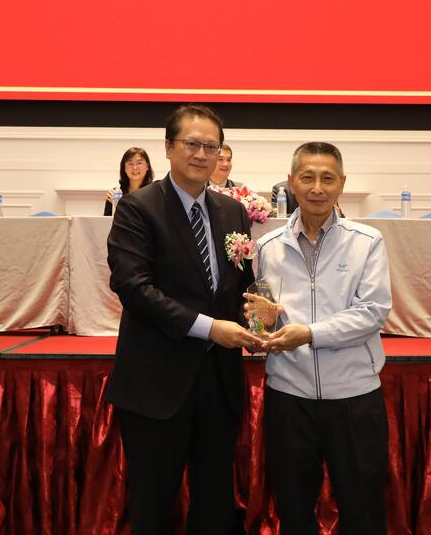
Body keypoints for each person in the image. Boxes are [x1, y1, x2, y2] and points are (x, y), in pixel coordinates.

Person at [106, 105, 260, 534]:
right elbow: (133, 288)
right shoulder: (138, 207)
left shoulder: (232, 211)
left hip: (219, 381)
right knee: (153, 504)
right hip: (156, 381)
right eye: (191, 143)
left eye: (211, 146)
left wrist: (256, 316)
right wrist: (211, 328)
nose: (201, 154)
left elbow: (239, 286)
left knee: (214, 504)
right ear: (169, 147)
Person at [250, 142, 391, 534]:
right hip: (288, 396)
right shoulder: (267, 246)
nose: (317, 188)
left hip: (354, 396)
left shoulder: (366, 241)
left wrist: (309, 334)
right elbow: (264, 313)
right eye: (307, 177)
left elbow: (373, 312)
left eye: (327, 178)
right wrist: (259, 328)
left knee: (363, 509)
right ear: (291, 182)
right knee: (293, 510)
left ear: (341, 184)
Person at [104, 147, 154, 216]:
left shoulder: (155, 193)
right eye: (130, 163)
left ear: (147, 166)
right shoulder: (115, 194)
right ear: (124, 168)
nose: (135, 167)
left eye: (139, 163)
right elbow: (107, 221)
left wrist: (120, 205)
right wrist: (115, 204)